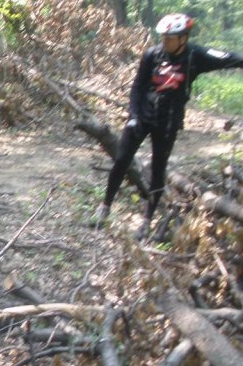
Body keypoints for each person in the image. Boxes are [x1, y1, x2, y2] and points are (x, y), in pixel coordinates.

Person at [95, 13, 243, 238]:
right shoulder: (152, 55)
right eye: (163, 37)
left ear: (183, 38)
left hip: (168, 123)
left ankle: (146, 221)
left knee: (157, 170)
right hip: (141, 117)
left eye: (169, 38)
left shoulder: (196, 55)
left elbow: (228, 57)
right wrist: (133, 115)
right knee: (121, 161)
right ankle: (104, 208)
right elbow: (137, 87)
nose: (164, 41)